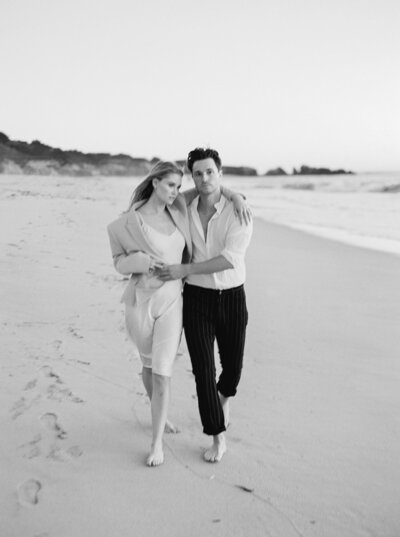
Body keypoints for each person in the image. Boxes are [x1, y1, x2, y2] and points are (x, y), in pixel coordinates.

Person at [107, 160, 249, 467]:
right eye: (171, 184)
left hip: (185, 300)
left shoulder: (181, 207)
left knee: (180, 372)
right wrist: (140, 262)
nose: (176, 190)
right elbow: (118, 261)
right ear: (155, 182)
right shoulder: (126, 223)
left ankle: (166, 435)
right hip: (150, 301)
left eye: (177, 186)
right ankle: (166, 421)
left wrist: (235, 195)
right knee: (155, 368)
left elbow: (210, 187)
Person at [159, 148, 253, 463]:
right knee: (203, 372)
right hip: (197, 299)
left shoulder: (240, 211)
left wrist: (233, 195)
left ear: (220, 172)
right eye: (198, 173)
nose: (204, 178)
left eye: (210, 172)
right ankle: (217, 436)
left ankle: (223, 399)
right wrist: (227, 190)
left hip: (233, 297)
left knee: (233, 370)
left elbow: (229, 259)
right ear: (192, 177)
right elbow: (168, 197)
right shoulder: (184, 207)